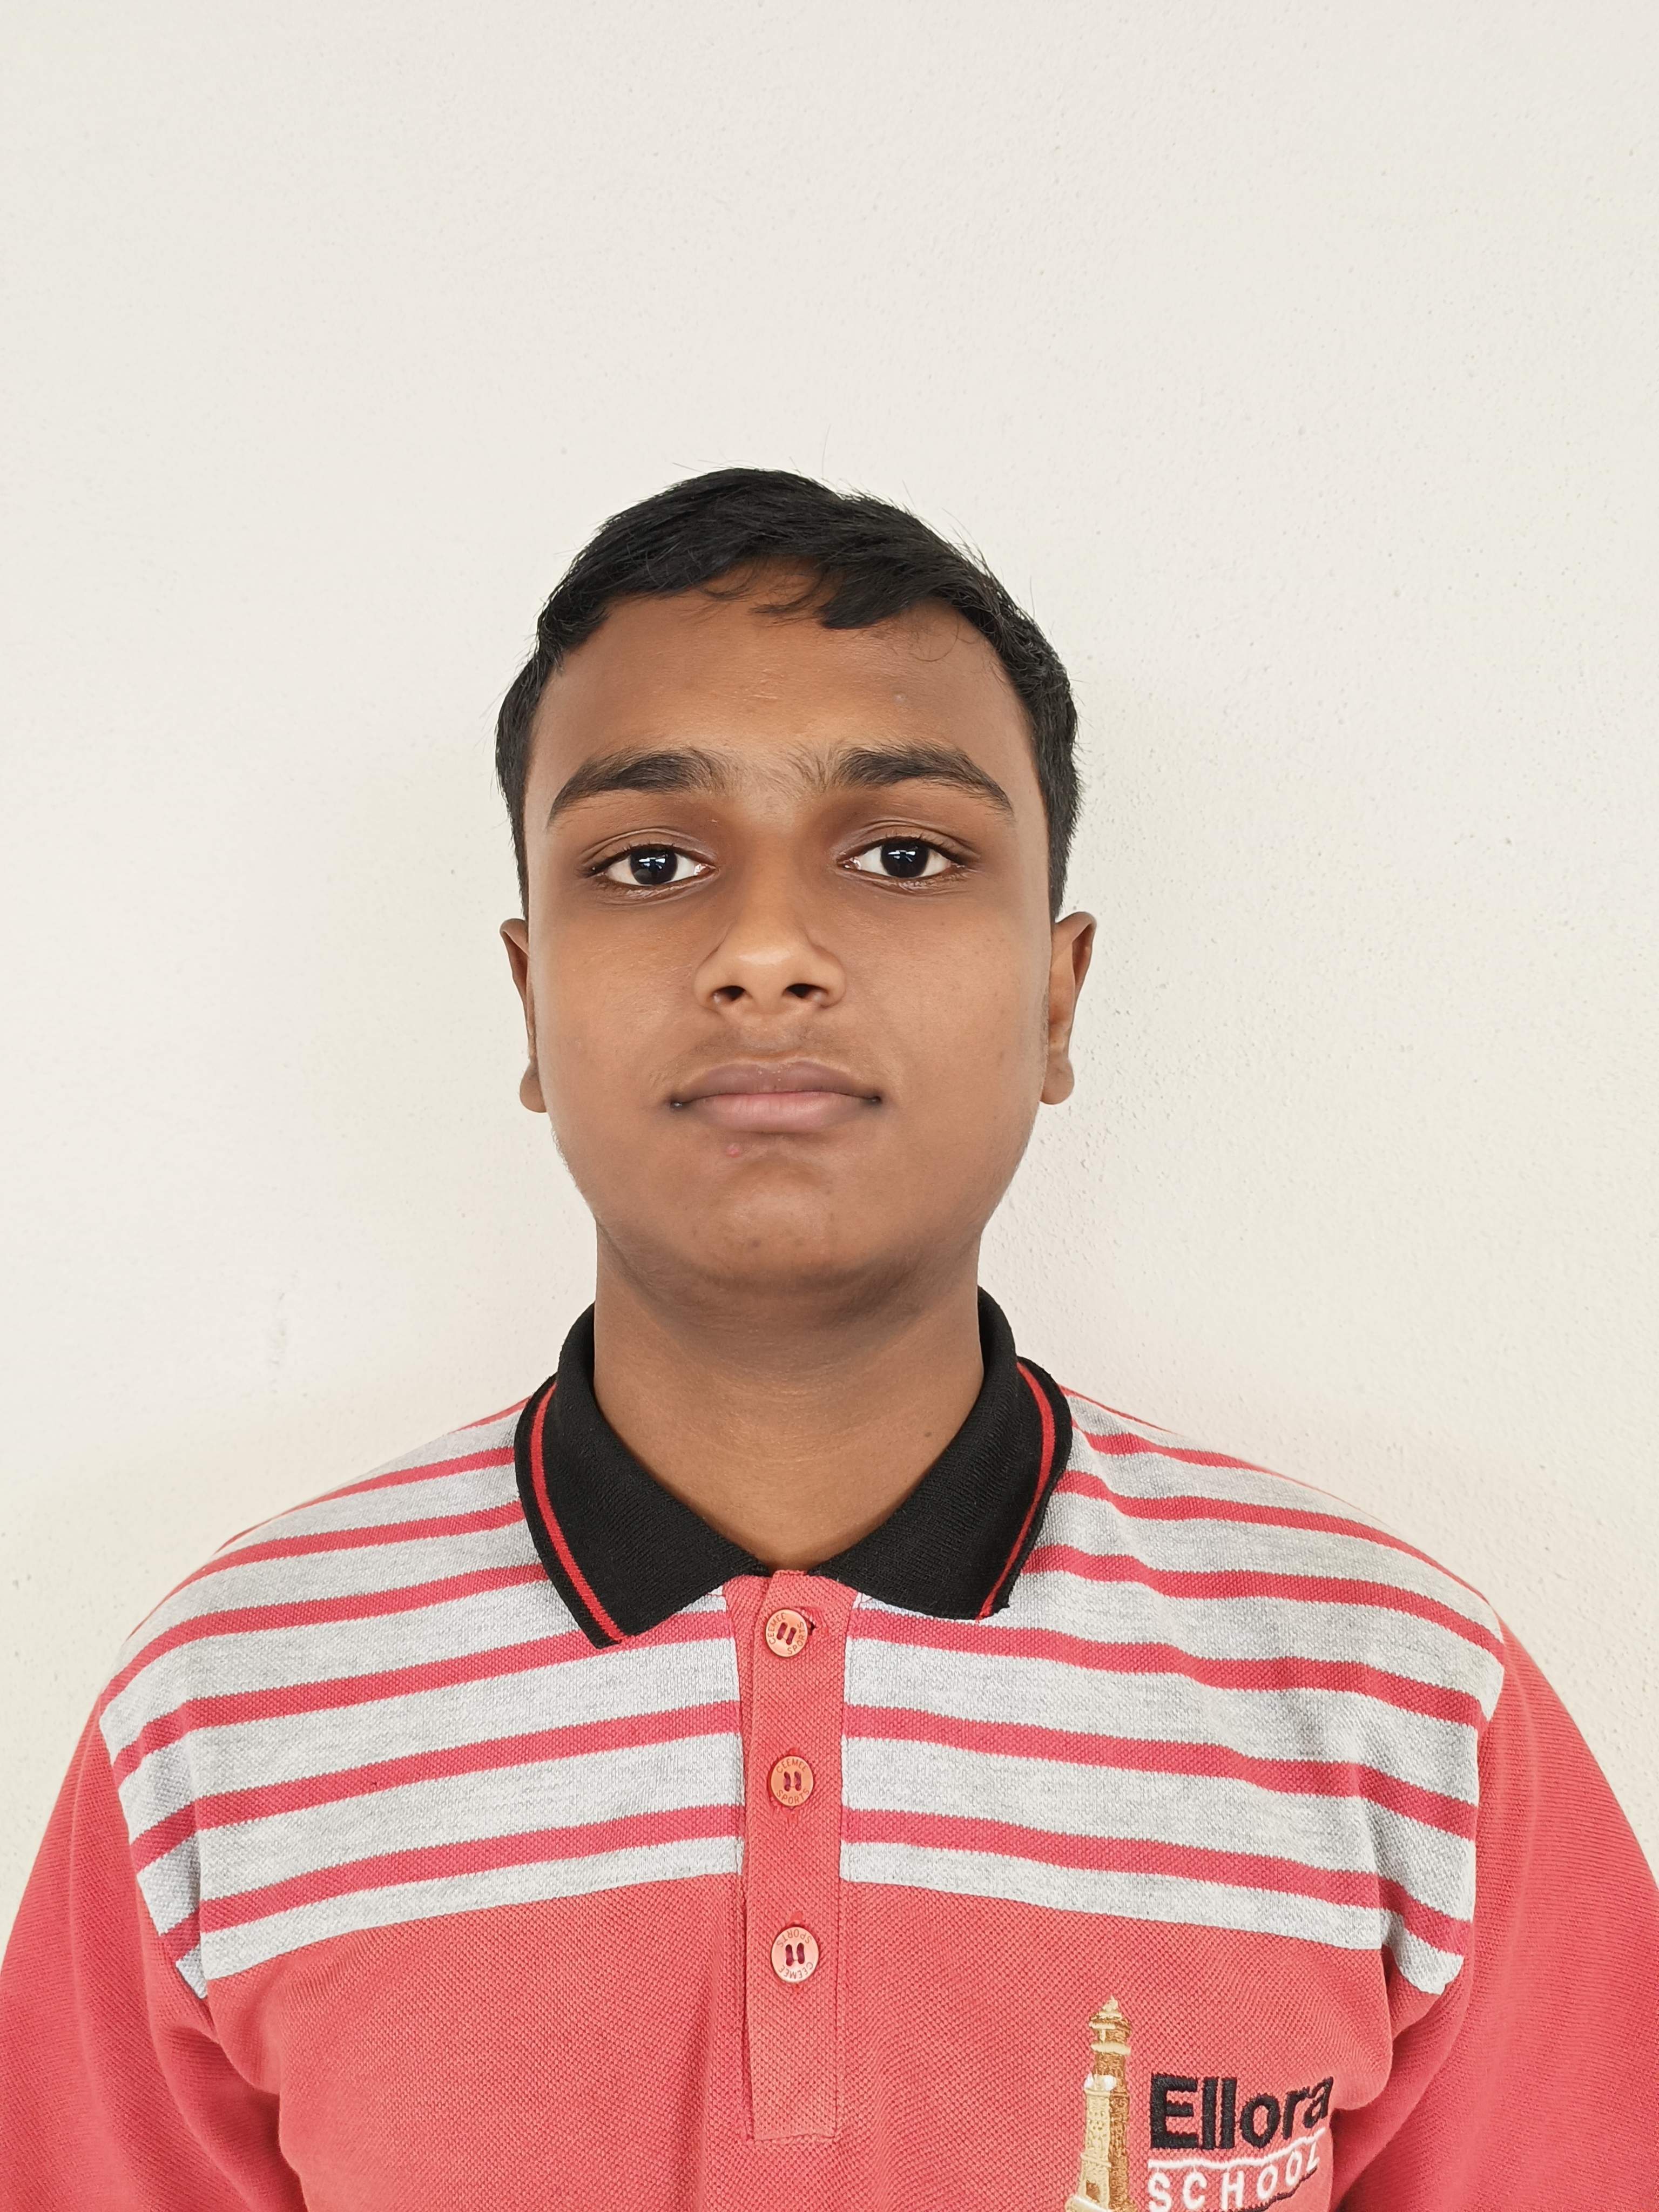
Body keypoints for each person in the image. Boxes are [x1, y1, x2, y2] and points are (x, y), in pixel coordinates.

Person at [1, 468, 1653, 2211]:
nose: (768, 952)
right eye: (650, 862)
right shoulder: (222, 1720)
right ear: (532, 1004)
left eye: (904, 856)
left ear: (1057, 997)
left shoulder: (1397, 1703)